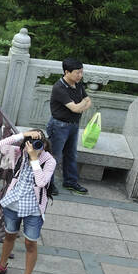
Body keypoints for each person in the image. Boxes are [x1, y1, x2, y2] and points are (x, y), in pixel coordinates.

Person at [0, 129, 57, 274]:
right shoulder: (19, 152)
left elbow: (41, 182)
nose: (35, 147)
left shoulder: (49, 161)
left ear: (45, 145)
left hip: (33, 209)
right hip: (13, 203)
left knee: (30, 243)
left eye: (40, 144)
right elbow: (1, 145)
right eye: (31, 144)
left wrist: (34, 159)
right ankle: (2, 265)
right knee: (9, 235)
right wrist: (24, 135)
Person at [46, 57, 92, 195]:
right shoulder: (59, 88)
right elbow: (75, 108)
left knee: (71, 155)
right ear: (67, 72)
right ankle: (48, 184)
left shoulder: (78, 85)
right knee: (54, 156)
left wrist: (81, 105)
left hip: (73, 125)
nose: (80, 75)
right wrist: (81, 106)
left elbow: (88, 101)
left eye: (81, 72)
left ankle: (70, 182)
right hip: (59, 126)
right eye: (77, 73)